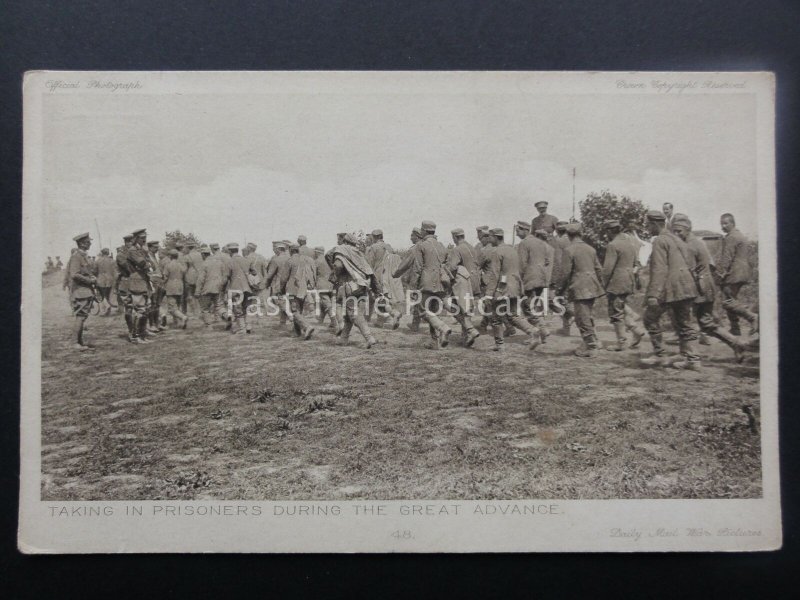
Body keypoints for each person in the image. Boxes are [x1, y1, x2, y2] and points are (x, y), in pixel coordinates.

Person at [671, 214, 747, 363]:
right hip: (706, 287)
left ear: (687, 229)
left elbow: (687, 270)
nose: (677, 234)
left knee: (682, 319)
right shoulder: (695, 242)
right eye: (675, 231)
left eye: (679, 231)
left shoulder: (690, 245)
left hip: (699, 288)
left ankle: (688, 355)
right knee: (706, 322)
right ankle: (735, 343)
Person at [639, 211, 700, 369]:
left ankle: (661, 355)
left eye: (648, 225)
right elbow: (690, 263)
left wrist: (653, 295)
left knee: (649, 318)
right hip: (687, 287)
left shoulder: (660, 240)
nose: (647, 228)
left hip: (671, 288)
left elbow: (659, 270)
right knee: (685, 322)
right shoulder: (677, 239)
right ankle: (692, 359)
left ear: (654, 224)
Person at [481, 227, 541, 351]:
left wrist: (489, 294)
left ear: (496, 237)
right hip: (514, 287)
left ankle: (500, 345)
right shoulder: (512, 250)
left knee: (496, 318)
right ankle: (532, 330)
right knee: (513, 315)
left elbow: (495, 274)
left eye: (490, 236)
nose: (488, 239)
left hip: (502, 288)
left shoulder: (496, 252)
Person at [558, 223, 605, 357]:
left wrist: (559, 289)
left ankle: (591, 346)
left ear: (568, 235)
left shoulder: (569, 250)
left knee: (581, 317)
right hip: (593, 285)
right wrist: (601, 284)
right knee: (588, 315)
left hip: (580, 287)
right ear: (581, 234)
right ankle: (594, 340)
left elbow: (565, 273)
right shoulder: (590, 249)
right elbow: (598, 269)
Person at [325, 233, 380, 349]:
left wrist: (335, 273)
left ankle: (369, 338)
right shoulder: (358, 252)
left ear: (344, 241)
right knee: (349, 314)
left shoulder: (341, 250)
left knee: (353, 314)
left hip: (350, 286)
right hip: (362, 286)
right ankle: (344, 339)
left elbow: (338, 265)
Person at [602, 220, 646, 351]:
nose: (607, 235)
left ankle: (622, 342)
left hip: (617, 282)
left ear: (610, 231)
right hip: (628, 280)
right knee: (622, 306)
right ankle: (636, 330)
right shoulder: (630, 243)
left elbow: (608, 269)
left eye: (607, 232)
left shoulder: (613, 245)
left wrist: (604, 284)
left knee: (616, 312)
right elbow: (636, 263)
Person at [411, 220, 453, 349]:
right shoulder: (441, 246)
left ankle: (443, 328)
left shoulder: (421, 246)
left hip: (427, 282)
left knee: (423, 311)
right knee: (433, 312)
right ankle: (435, 342)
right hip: (441, 283)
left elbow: (417, 268)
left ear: (423, 231)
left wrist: (414, 286)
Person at [717, 213, 757, 337]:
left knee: (727, 300)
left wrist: (721, 272)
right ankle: (736, 328)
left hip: (734, 273)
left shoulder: (731, 237)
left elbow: (727, 257)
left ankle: (752, 318)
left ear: (732, 223)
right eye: (721, 224)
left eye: (725, 223)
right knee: (731, 299)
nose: (723, 226)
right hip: (744, 272)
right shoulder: (740, 235)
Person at [515, 221, 551, 344]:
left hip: (529, 279)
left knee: (527, 307)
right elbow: (547, 261)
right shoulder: (541, 243)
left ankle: (540, 331)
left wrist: (519, 282)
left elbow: (522, 265)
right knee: (535, 305)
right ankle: (543, 332)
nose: (516, 233)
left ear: (525, 230)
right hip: (541, 278)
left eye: (518, 230)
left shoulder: (524, 244)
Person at [446, 228, 481, 347]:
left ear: (455, 237)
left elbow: (452, 267)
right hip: (474, 281)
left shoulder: (457, 249)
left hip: (463, 282)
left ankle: (469, 331)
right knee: (466, 309)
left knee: (456, 309)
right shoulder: (472, 247)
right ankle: (465, 336)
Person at [66, 232, 98, 351]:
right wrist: (90, 280)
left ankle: (79, 342)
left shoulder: (83, 256)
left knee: (82, 316)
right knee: (80, 316)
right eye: (88, 242)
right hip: (80, 291)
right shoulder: (76, 256)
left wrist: (92, 278)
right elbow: (74, 274)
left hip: (85, 290)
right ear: (82, 243)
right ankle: (75, 342)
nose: (90, 243)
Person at [392, 227, 425, 332]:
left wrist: (396, 274)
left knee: (411, 301)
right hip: (426, 280)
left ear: (417, 236)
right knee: (418, 302)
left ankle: (398, 314)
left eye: (412, 235)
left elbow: (405, 264)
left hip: (415, 279)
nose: (410, 238)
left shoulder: (415, 249)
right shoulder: (427, 246)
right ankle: (415, 324)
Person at [126, 228, 153, 344]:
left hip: (143, 281)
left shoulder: (140, 250)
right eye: (142, 238)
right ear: (136, 238)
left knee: (145, 309)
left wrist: (147, 261)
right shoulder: (133, 250)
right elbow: (143, 264)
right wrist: (147, 256)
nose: (144, 240)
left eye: (145, 238)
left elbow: (149, 265)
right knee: (140, 310)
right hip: (137, 281)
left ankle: (142, 335)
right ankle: (135, 336)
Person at [285, 243, 317, 339]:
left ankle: (307, 327)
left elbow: (283, 278)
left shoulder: (290, 261)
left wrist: (281, 289)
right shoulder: (304, 260)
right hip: (303, 289)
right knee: (299, 310)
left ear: (291, 250)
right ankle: (297, 332)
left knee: (294, 311)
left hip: (292, 289)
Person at [195, 244, 230, 327]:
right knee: (219, 306)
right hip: (218, 288)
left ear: (203, 254)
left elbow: (201, 279)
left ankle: (209, 325)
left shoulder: (204, 264)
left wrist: (197, 291)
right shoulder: (219, 263)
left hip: (206, 289)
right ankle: (226, 316)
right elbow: (225, 276)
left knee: (205, 308)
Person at [550, 221, 574, 335]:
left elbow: (558, 261)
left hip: (562, 275)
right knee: (565, 300)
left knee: (555, 300)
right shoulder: (571, 240)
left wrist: (555, 279)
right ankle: (566, 327)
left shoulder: (557, 241)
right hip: (573, 274)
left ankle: (574, 316)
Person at [225, 242, 255, 334]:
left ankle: (242, 329)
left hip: (236, 289)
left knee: (238, 310)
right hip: (248, 289)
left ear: (230, 251)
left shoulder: (229, 261)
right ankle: (248, 326)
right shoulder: (246, 260)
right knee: (247, 308)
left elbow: (226, 276)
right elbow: (254, 273)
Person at [314, 246, 342, 332]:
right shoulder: (330, 260)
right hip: (332, 285)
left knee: (328, 305)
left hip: (322, 286)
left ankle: (336, 325)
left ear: (317, 252)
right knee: (331, 304)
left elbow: (314, 274)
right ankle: (322, 320)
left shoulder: (317, 261)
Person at [264, 242, 293, 326]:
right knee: (285, 301)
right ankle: (282, 322)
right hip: (289, 285)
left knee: (278, 301)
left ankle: (291, 317)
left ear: (279, 249)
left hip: (278, 285)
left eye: (275, 249)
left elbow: (269, 275)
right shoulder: (289, 258)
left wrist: (266, 284)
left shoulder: (275, 259)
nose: (274, 251)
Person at [162, 248, 189, 328]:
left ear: (170, 256)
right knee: (177, 305)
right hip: (180, 286)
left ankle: (183, 317)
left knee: (171, 308)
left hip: (171, 286)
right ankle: (176, 323)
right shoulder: (181, 265)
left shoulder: (168, 265)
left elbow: (165, 277)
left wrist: (161, 283)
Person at [146, 240, 167, 334]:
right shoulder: (147, 257)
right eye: (155, 247)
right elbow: (149, 272)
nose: (157, 249)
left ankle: (157, 324)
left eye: (157, 247)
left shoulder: (154, 256)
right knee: (152, 304)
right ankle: (152, 325)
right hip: (153, 283)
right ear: (150, 247)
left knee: (157, 305)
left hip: (158, 283)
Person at [180, 241, 204, 316]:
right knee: (199, 294)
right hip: (200, 276)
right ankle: (201, 311)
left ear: (188, 248)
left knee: (190, 295)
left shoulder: (187, 257)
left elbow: (184, 269)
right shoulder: (201, 255)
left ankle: (195, 312)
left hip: (190, 278)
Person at [94, 248, 117, 316]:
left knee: (102, 295)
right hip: (110, 280)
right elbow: (115, 272)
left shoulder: (97, 261)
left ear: (102, 253)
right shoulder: (112, 261)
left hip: (100, 280)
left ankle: (106, 309)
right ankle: (108, 308)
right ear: (108, 253)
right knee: (107, 294)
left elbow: (94, 271)